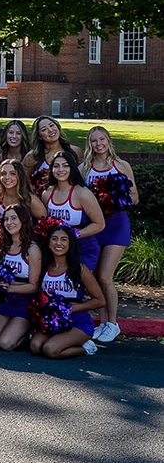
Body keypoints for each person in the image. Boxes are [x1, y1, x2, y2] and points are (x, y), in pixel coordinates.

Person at [81, 126, 139, 343]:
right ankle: (103, 323)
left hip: (116, 225)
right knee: (95, 278)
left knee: (105, 276)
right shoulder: (84, 168)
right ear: (90, 144)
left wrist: (114, 198)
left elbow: (134, 198)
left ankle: (113, 323)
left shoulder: (121, 166)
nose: (98, 144)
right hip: (95, 226)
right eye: (94, 141)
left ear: (108, 140)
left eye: (102, 139)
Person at [30, 224, 106, 358]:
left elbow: (100, 300)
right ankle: (61, 340)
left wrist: (72, 308)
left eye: (64, 239)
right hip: (52, 321)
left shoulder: (80, 269)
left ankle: (86, 348)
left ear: (70, 244)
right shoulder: (45, 268)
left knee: (50, 350)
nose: (58, 243)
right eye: (54, 239)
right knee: (35, 346)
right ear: (48, 243)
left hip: (78, 322)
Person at [0, 204, 41, 351]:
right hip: (5, 301)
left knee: (6, 343)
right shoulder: (0, 245)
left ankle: (27, 331)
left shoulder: (32, 249)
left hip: (24, 302)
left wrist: (10, 288)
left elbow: (34, 286)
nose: (9, 223)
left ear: (23, 220)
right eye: (6, 219)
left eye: (14, 218)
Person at [42, 151, 105, 271]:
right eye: (56, 166)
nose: (61, 170)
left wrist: (75, 234)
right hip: (57, 250)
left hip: (83, 248)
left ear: (72, 168)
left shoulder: (82, 193)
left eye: (66, 165)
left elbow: (99, 224)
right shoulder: (47, 193)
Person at [23, 115, 83, 183]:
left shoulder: (76, 151)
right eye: (44, 129)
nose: (50, 130)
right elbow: (25, 183)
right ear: (39, 136)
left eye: (51, 125)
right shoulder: (32, 157)